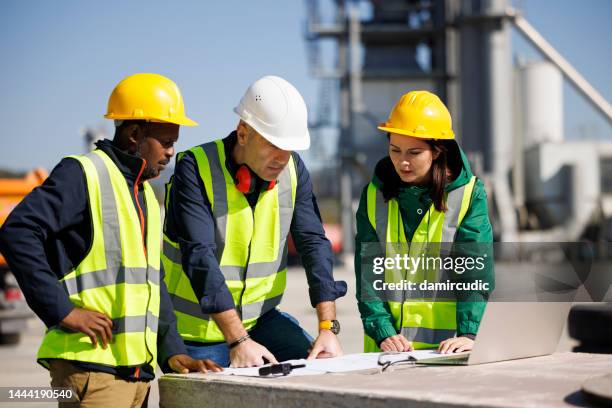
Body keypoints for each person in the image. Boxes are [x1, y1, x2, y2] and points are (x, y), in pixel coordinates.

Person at [0, 73, 221, 407]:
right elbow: (17, 232)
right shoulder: (84, 173)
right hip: (92, 372)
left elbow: (151, 284)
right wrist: (63, 311)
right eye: (166, 141)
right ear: (134, 134)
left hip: (136, 376)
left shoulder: (146, 194)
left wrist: (173, 351)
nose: (172, 152)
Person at [162, 75, 347, 368]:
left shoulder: (294, 171)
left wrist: (328, 327)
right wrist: (238, 341)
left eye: (289, 148)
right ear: (243, 133)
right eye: (273, 144)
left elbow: (313, 242)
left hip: (260, 322)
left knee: (318, 367)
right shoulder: (195, 169)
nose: (282, 158)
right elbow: (199, 256)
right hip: (197, 332)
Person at [354, 90, 494, 355]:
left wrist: (470, 333)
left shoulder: (468, 196)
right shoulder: (373, 196)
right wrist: (383, 331)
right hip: (386, 353)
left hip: (446, 352)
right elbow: (368, 277)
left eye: (414, 152)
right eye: (395, 150)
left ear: (437, 151)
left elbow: (474, 273)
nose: (402, 161)